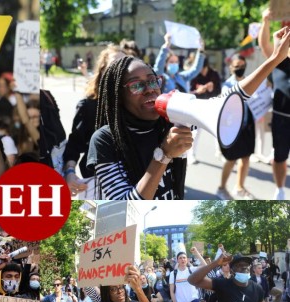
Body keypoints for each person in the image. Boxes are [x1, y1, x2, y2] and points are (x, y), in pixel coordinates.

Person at [86, 26, 290, 200]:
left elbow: (233, 96)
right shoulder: (105, 140)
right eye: (136, 86)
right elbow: (125, 207)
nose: (149, 89)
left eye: (152, 80)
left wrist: (274, 59)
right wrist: (163, 155)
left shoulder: (170, 117)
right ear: (118, 96)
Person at [62, 45, 125, 196]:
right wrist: (70, 172)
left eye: (126, 64)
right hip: (97, 181)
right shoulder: (88, 106)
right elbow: (74, 144)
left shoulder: (136, 105)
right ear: (103, 69)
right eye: (115, 64)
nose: (121, 70)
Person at [259, 9, 290, 199]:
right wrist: (265, 21)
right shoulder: (279, 59)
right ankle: (279, 190)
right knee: (280, 157)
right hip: (282, 119)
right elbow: (264, 44)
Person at [216, 55, 256, 200]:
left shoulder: (250, 81)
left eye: (242, 65)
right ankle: (221, 188)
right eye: (236, 66)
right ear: (231, 68)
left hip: (247, 126)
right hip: (233, 128)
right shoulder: (227, 85)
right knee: (231, 159)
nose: (239, 68)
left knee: (246, 158)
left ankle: (239, 187)